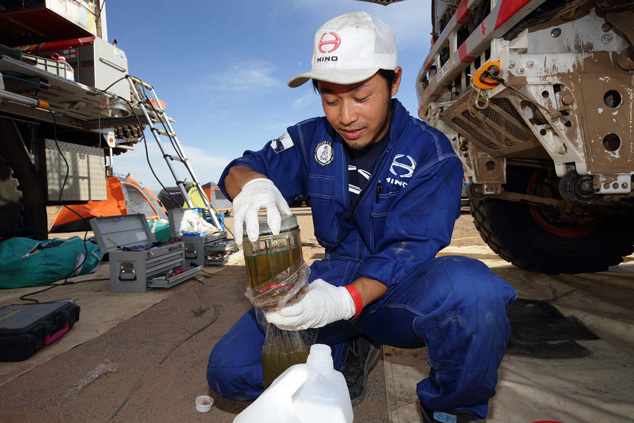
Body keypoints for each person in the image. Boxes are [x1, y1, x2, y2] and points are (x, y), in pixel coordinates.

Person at [207, 12, 516, 423]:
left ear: (394, 81)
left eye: (360, 96)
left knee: (475, 294)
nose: (345, 116)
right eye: (330, 99)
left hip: (396, 289)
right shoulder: (309, 138)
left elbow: (410, 250)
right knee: (229, 371)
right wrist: (252, 188)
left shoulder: (430, 153)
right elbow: (240, 167)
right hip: (330, 276)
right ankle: (339, 352)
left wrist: (346, 301)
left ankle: (451, 407)